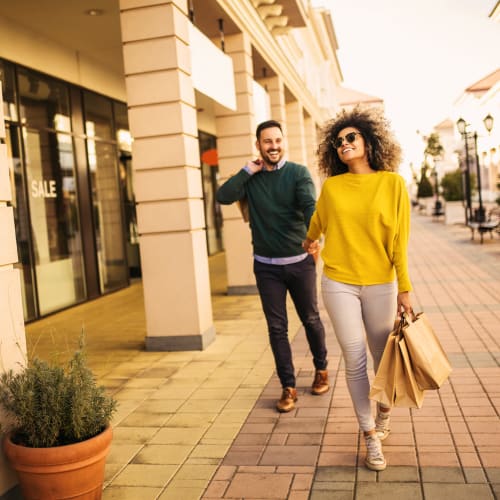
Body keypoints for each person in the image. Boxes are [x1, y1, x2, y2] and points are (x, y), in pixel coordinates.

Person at [303, 107, 413, 471]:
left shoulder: (392, 184)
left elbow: (400, 242)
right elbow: (318, 222)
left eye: (351, 138)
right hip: (338, 282)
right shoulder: (332, 187)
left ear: (369, 141)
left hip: (382, 282)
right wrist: (310, 241)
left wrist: (405, 288)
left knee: (383, 358)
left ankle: (383, 412)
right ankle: (369, 435)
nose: (344, 144)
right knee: (354, 357)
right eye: (338, 142)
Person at [216, 119, 329, 413]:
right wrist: (246, 170)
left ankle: (322, 368)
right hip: (266, 267)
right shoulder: (250, 178)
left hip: (300, 263)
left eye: (277, 140)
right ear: (258, 145)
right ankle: (288, 386)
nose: (274, 146)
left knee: (311, 319)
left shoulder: (297, 173)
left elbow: (308, 205)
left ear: (283, 141)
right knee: (277, 328)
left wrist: (313, 235)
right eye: (267, 142)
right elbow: (223, 196)